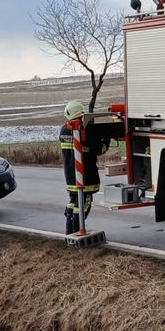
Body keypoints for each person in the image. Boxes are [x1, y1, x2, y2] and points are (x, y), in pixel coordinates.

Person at [59, 100, 123, 235]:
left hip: (71, 178)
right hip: (85, 178)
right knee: (84, 203)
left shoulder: (64, 130)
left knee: (73, 201)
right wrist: (106, 137)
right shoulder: (84, 131)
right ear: (81, 114)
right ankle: (77, 230)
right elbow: (101, 149)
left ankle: (69, 229)